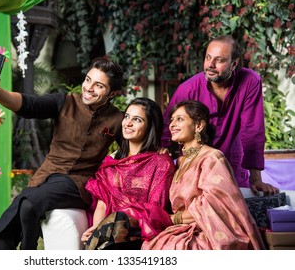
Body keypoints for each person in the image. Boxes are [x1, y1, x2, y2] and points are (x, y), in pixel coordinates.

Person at [0, 57, 124, 250]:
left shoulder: (118, 119)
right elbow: (29, 104)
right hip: (45, 178)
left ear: (113, 93)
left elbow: (134, 150)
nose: (89, 88)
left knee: (29, 205)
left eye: (99, 85)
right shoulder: (63, 102)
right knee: (0, 237)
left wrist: (160, 152)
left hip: (78, 185)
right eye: (88, 80)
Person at [161, 35, 278, 195]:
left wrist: (256, 179)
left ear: (234, 63)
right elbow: (166, 132)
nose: (210, 65)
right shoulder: (187, 89)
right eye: (208, 58)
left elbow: (252, 130)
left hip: (233, 169)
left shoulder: (250, 81)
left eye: (219, 60)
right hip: (194, 172)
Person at [142, 100, 266, 250]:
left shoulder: (212, 157)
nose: (172, 125)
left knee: (174, 247)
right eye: (172, 120)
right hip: (183, 229)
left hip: (210, 232)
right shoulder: (179, 161)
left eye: (180, 119)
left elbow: (214, 203)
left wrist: (174, 219)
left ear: (199, 125)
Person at [81, 97, 175, 250]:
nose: (128, 123)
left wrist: (114, 226)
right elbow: (102, 204)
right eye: (126, 117)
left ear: (150, 126)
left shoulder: (161, 162)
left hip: (140, 234)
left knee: (119, 220)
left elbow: (154, 209)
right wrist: (97, 230)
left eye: (137, 119)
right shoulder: (112, 162)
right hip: (108, 236)